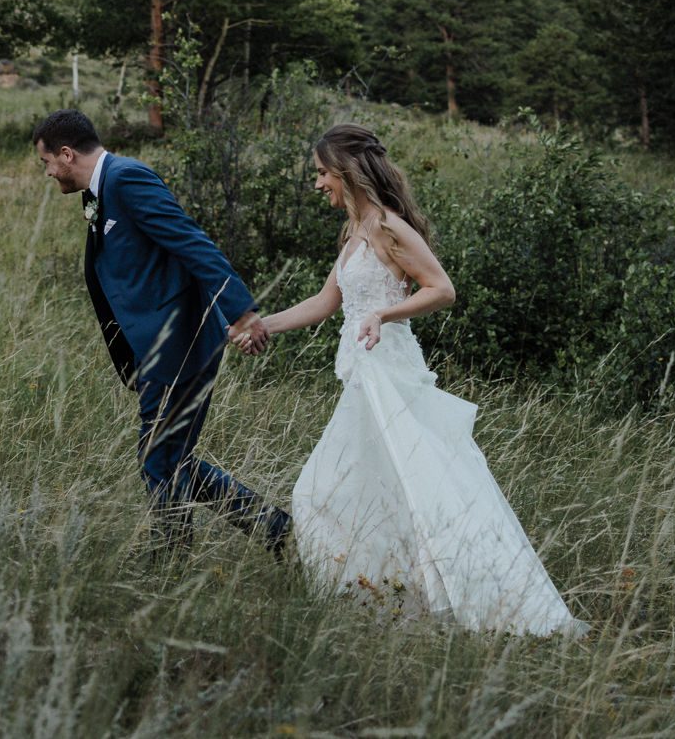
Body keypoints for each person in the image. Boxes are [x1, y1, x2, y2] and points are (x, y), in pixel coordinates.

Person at [248, 123, 584, 635]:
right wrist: (261, 324)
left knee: (389, 490)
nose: (317, 184)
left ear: (346, 171)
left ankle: (460, 602)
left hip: (390, 376)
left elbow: (442, 289)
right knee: (360, 493)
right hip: (364, 378)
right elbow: (324, 303)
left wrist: (383, 316)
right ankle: (384, 605)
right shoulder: (355, 231)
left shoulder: (387, 226)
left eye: (321, 173)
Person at [32, 108, 290, 557]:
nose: (49, 173)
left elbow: (191, 241)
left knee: (158, 458)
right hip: (157, 348)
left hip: (179, 345)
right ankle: (273, 528)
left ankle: (171, 556)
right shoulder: (101, 190)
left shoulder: (127, 179)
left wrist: (241, 311)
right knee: (170, 458)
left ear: (67, 154)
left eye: (47, 163)